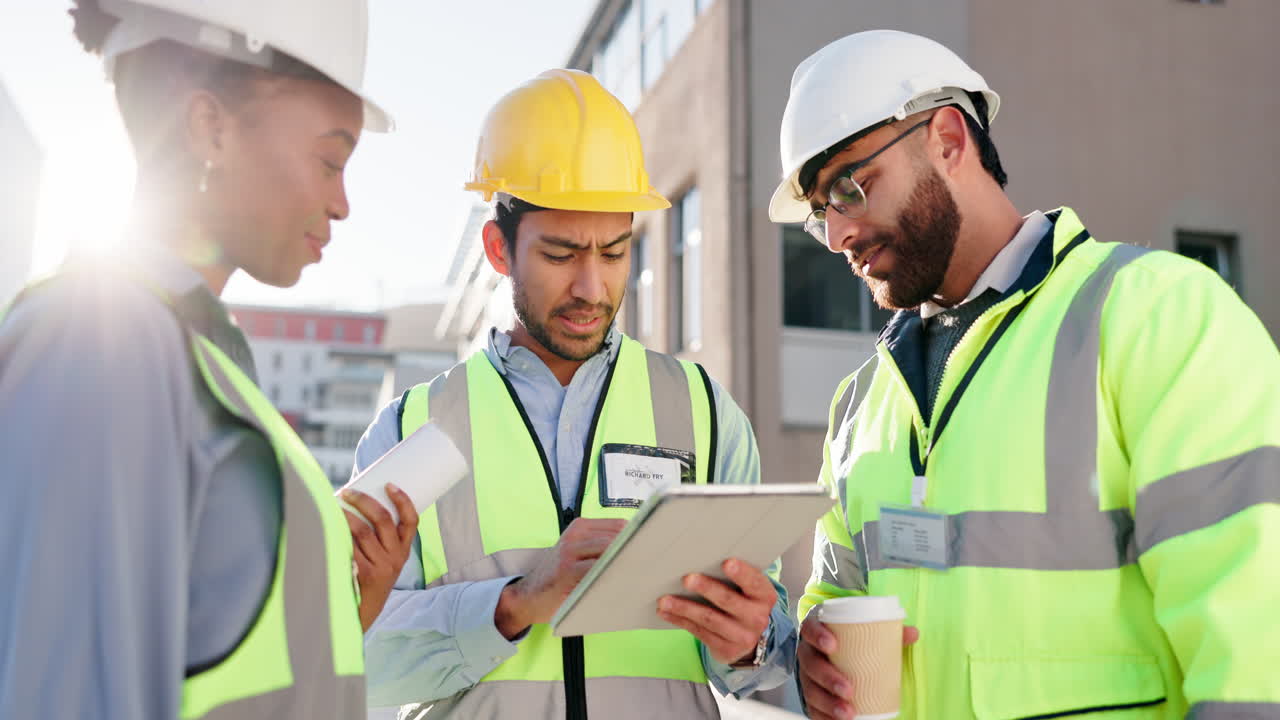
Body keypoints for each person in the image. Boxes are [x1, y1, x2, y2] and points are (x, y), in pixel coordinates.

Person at [767, 29, 1280, 720]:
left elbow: (1255, 642)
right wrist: (818, 658)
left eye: (850, 188)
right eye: (820, 213)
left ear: (948, 139)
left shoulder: (1154, 315)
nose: (836, 236)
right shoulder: (861, 402)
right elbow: (836, 597)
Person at [0, 1, 419, 717]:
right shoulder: (101, 342)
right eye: (330, 158)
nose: (344, 202)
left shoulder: (197, 358)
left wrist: (345, 613)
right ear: (210, 128)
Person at [352, 69, 797, 719]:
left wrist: (752, 641)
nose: (592, 287)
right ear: (498, 249)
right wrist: (512, 604)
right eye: (561, 254)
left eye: (614, 251)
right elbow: (354, 662)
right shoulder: (411, 429)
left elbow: (767, 651)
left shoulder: (702, 411)